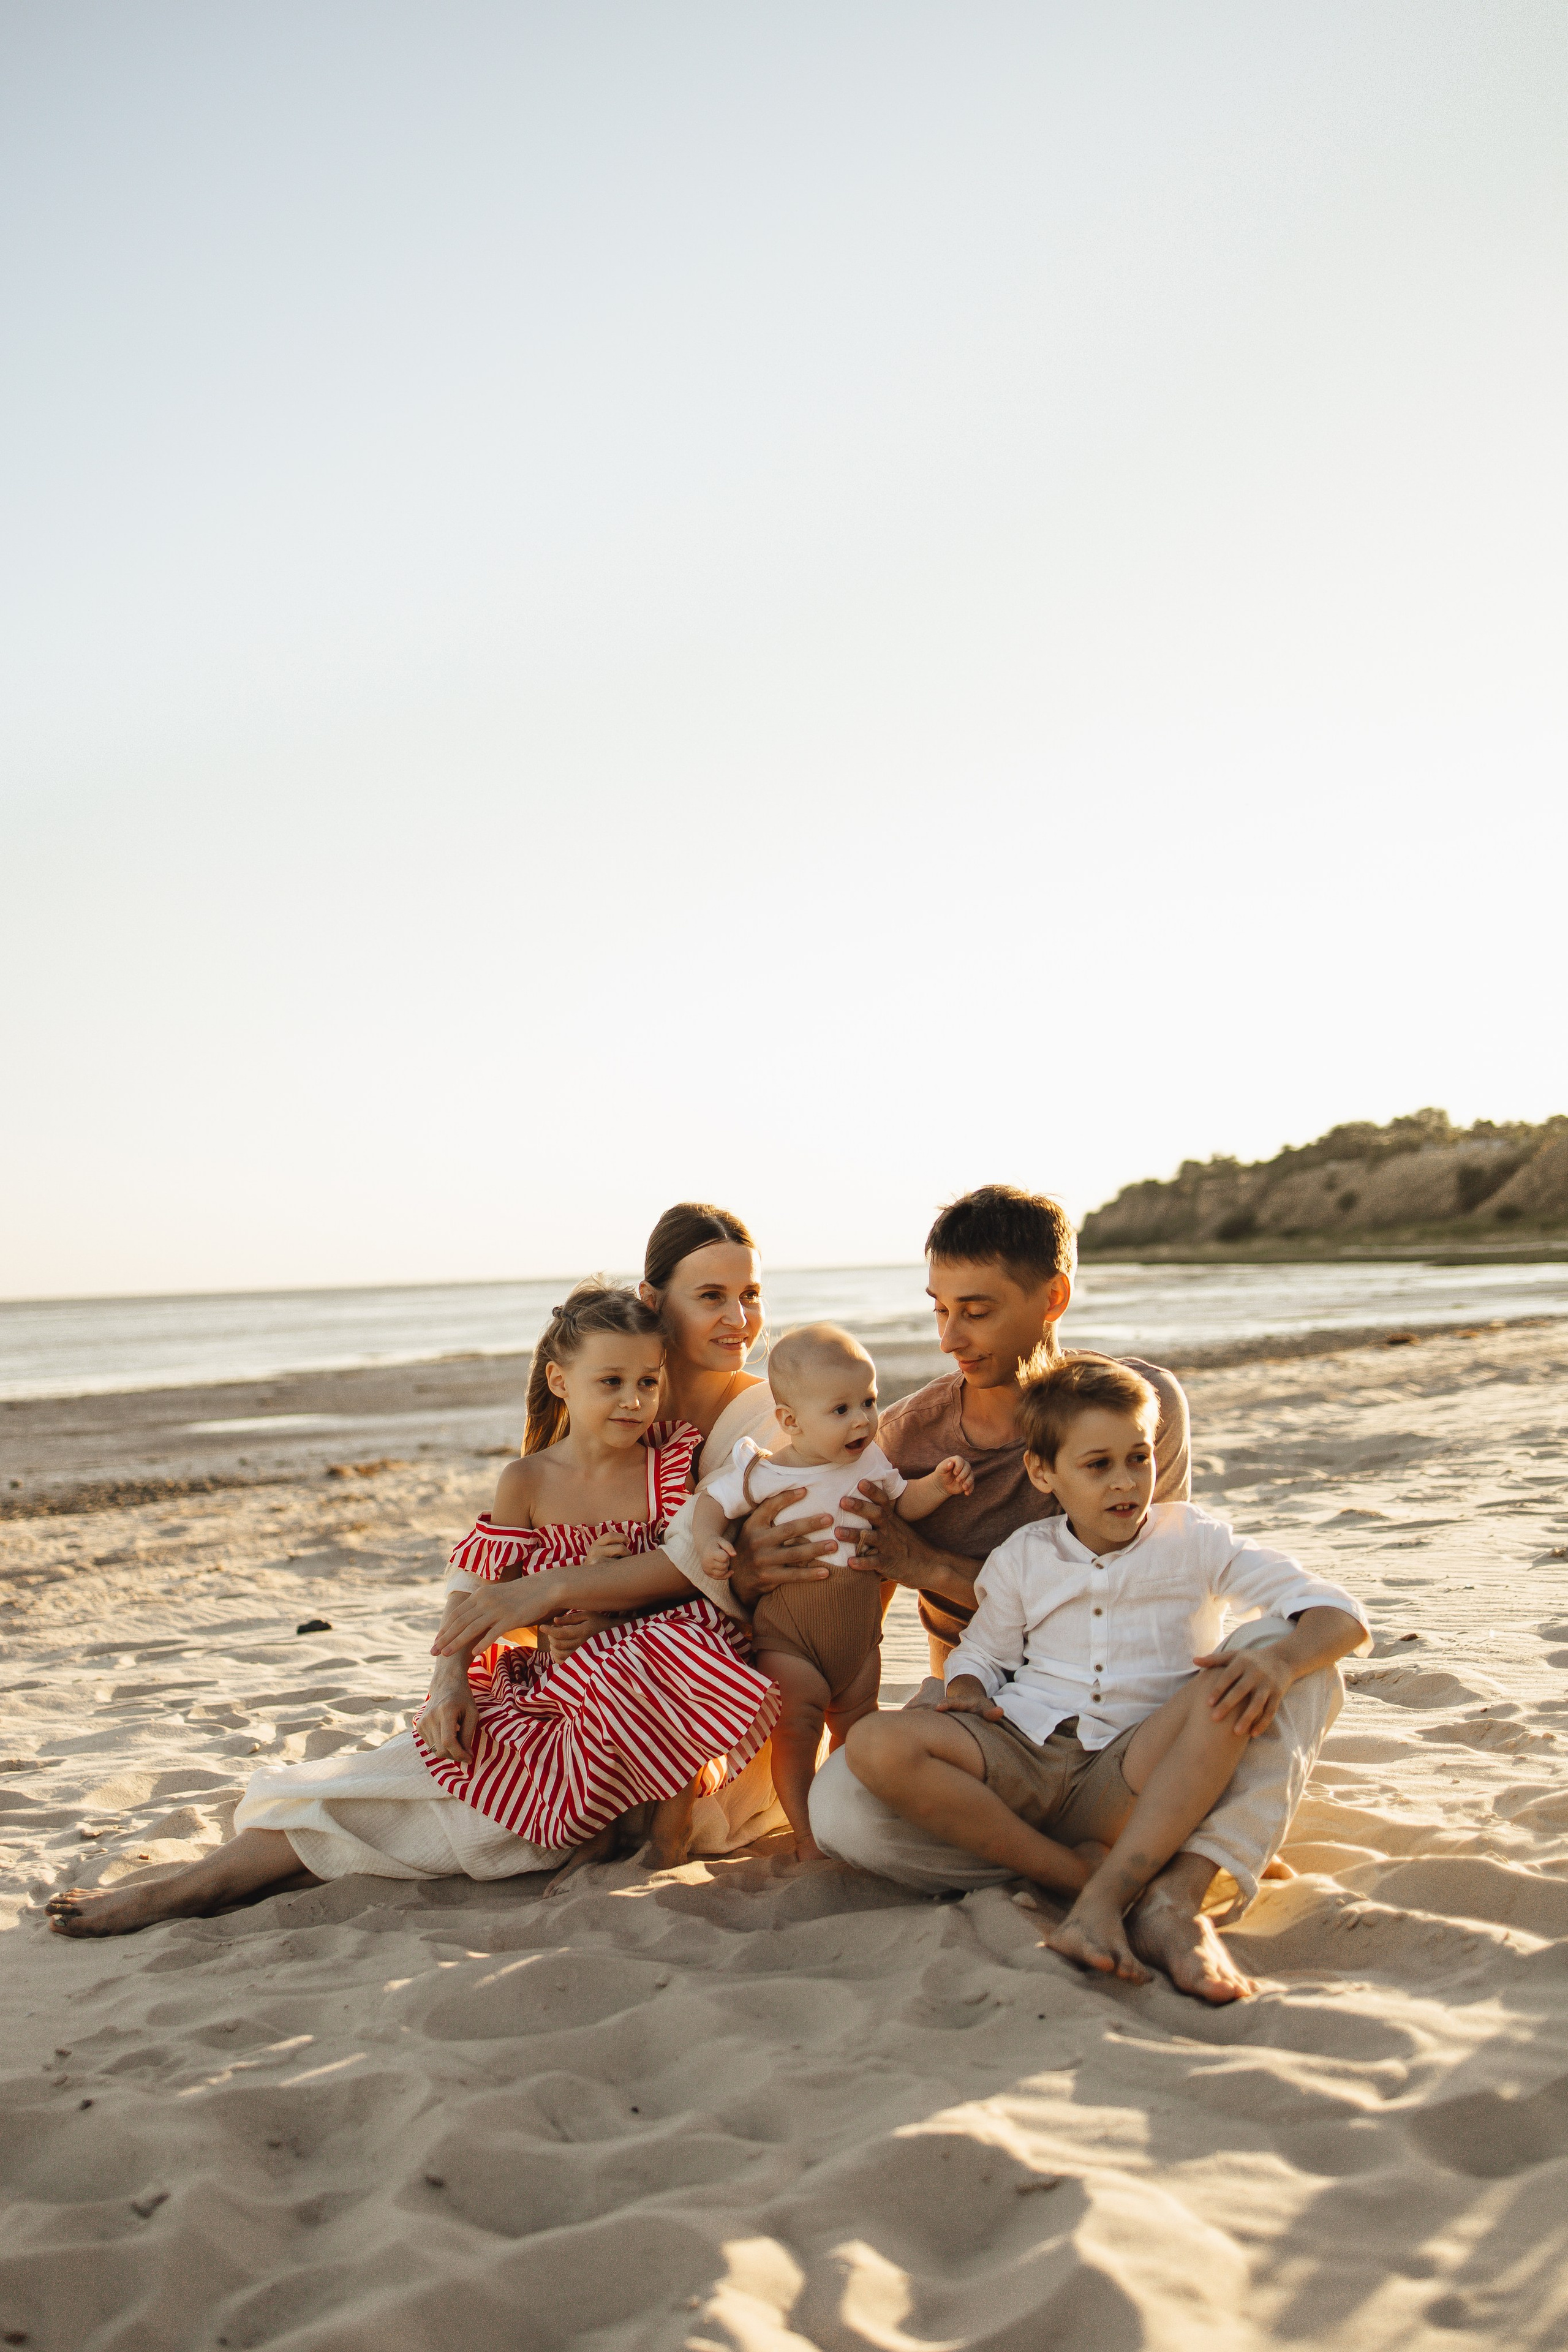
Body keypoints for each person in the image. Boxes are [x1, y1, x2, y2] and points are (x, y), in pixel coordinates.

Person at [48, 1204, 791, 1938]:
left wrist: (576, 1599)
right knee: (411, 1780)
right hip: (573, 1688)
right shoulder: (585, 1434)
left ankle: (200, 1886)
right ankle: (200, 1886)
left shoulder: (750, 1422)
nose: (739, 1318)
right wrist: (457, 1675)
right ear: (652, 1305)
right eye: (712, 1296)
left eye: (751, 1294)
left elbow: (707, 1575)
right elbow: (490, 1573)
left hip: (689, 1712)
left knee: (428, 1806)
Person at [786, 1184, 1354, 2004]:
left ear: (1052, 1297)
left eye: (975, 1311)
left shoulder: (1133, 1409)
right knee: (845, 1809)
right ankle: (1098, 1860)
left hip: (1148, 1717)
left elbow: (1146, 1570)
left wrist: (936, 1569)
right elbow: (856, 1609)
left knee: (1284, 1665)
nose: (950, 1338)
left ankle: (1174, 1888)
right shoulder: (905, 1436)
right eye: (939, 1310)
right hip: (1005, 1732)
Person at [846, 1357, 1368, 1985]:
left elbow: (1340, 1615)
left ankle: (1108, 1903)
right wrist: (964, 1688)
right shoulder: (1023, 1556)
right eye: (1098, 1466)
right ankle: (1077, 1876)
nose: (1125, 1483)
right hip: (1027, 1751)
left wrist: (1278, 1661)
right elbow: (984, 1653)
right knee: (875, 1743)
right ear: (1043, 1473)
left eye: (1138, 1458)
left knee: (1257, 1665)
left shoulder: (1193, 1538)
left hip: (1139, 1767)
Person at [409, 1280, 777, 1861]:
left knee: (651, 1655)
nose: (633, 1401)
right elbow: (484, 1586)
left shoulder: (669, 1462)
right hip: (563, 1662)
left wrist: (614, 1606)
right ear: (561, 1382)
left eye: (648, 1383)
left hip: (667, 1643)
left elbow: (686, 1576)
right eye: (611, 1383)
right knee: (545, 1709)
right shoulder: (526, 1481)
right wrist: (449, 1673)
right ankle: (593, 1834)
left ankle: (668, 1836)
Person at [692, 1322, 971, 1858]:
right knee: (796, 1737)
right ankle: (804, 1833)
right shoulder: (764, 1473)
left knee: (856, 1734)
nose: (863, 1419)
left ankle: (848, 1810)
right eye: (840, 1410)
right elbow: (714, 1504)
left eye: (868, 1401)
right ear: (790, 1422)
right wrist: (709, 1542)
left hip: (859, 1646)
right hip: (790, 1644)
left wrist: (938, 1485)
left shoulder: (870, 1462)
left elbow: (903, 1505)